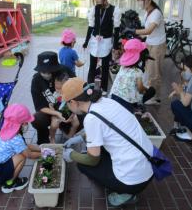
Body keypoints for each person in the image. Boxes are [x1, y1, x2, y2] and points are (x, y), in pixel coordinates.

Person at [61, 77, 154, 207]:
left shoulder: (91, 118)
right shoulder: (105, 101)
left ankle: (126, 194)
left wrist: (71, 155)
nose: (68, 107)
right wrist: (80, 137)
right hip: (149, 165)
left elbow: (92, 160)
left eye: (67, 104)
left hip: (133, 181)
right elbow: (105, 128)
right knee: (91, 151)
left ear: (73, 102)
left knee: (83, 165)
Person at [0, 104, 41, 193]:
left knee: (21, 151)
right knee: (21, 157)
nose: (26, 124)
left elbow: (25, 146)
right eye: (25, 122)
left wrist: (41, 149)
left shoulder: (7, 131)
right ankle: (9, 184)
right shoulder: (16, 138)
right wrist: (45, 154)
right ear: (21, 124)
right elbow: (29, 155)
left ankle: (7, 178)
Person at [124, 0, 166, 105]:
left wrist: (133, 30)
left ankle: (154, 97)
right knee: (148, 69)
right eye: (139, 1)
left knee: (155, 72)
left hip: (157, 46)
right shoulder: (147, 13)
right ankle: (147, 92)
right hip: (149, 43)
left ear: (149, 0)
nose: (140, 3)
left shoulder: (156, 13)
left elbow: (148, 30)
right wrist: (134, 35)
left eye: (141, 1)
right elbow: (145, 33)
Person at [31, 51, 75, 144]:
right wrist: (56, 113)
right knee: (37, 119)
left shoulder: (65, 71)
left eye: (50, 71)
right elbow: (40, 106)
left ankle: (67, 131)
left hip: (67, 107)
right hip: (49, 109)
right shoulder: (36, 80)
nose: (47, 74)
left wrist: (73, 111)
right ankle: (44, 139)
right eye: (43, 72)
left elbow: (77, 89)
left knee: (80, 118)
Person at [83, 0, 121, 95]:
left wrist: (115, 45)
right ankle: (89, 88)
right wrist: (86, 41)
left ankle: (104, 90)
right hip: (95, 40)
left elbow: (116, 29)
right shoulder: (93, 9)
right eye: (96, 1)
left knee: (105, 67)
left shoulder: (114, 10)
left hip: (106, 41)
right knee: (92, 66)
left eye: (100, 1)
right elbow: (90, 26)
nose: (98, 4)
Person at [110, 38, 156, 113]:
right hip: (126, 103)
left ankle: (135, 105)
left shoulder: (122, 67)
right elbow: (140, 89)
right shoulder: (138, 72)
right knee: (151, 90)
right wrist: (146, 89)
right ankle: (135, 106)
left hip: (113, 97)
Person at [48, 72, 80, 143]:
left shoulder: (71, 94)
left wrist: (72, 116)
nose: (58, 91)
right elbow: (50, 105)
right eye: (56, 88)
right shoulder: (55, 95)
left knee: (76, 123)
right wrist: (55, 114)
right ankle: (52, 138)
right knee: (54, 124)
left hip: (70, 113)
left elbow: (76, 107)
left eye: (61, 89)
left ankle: (70, 137)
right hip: (57, 113)